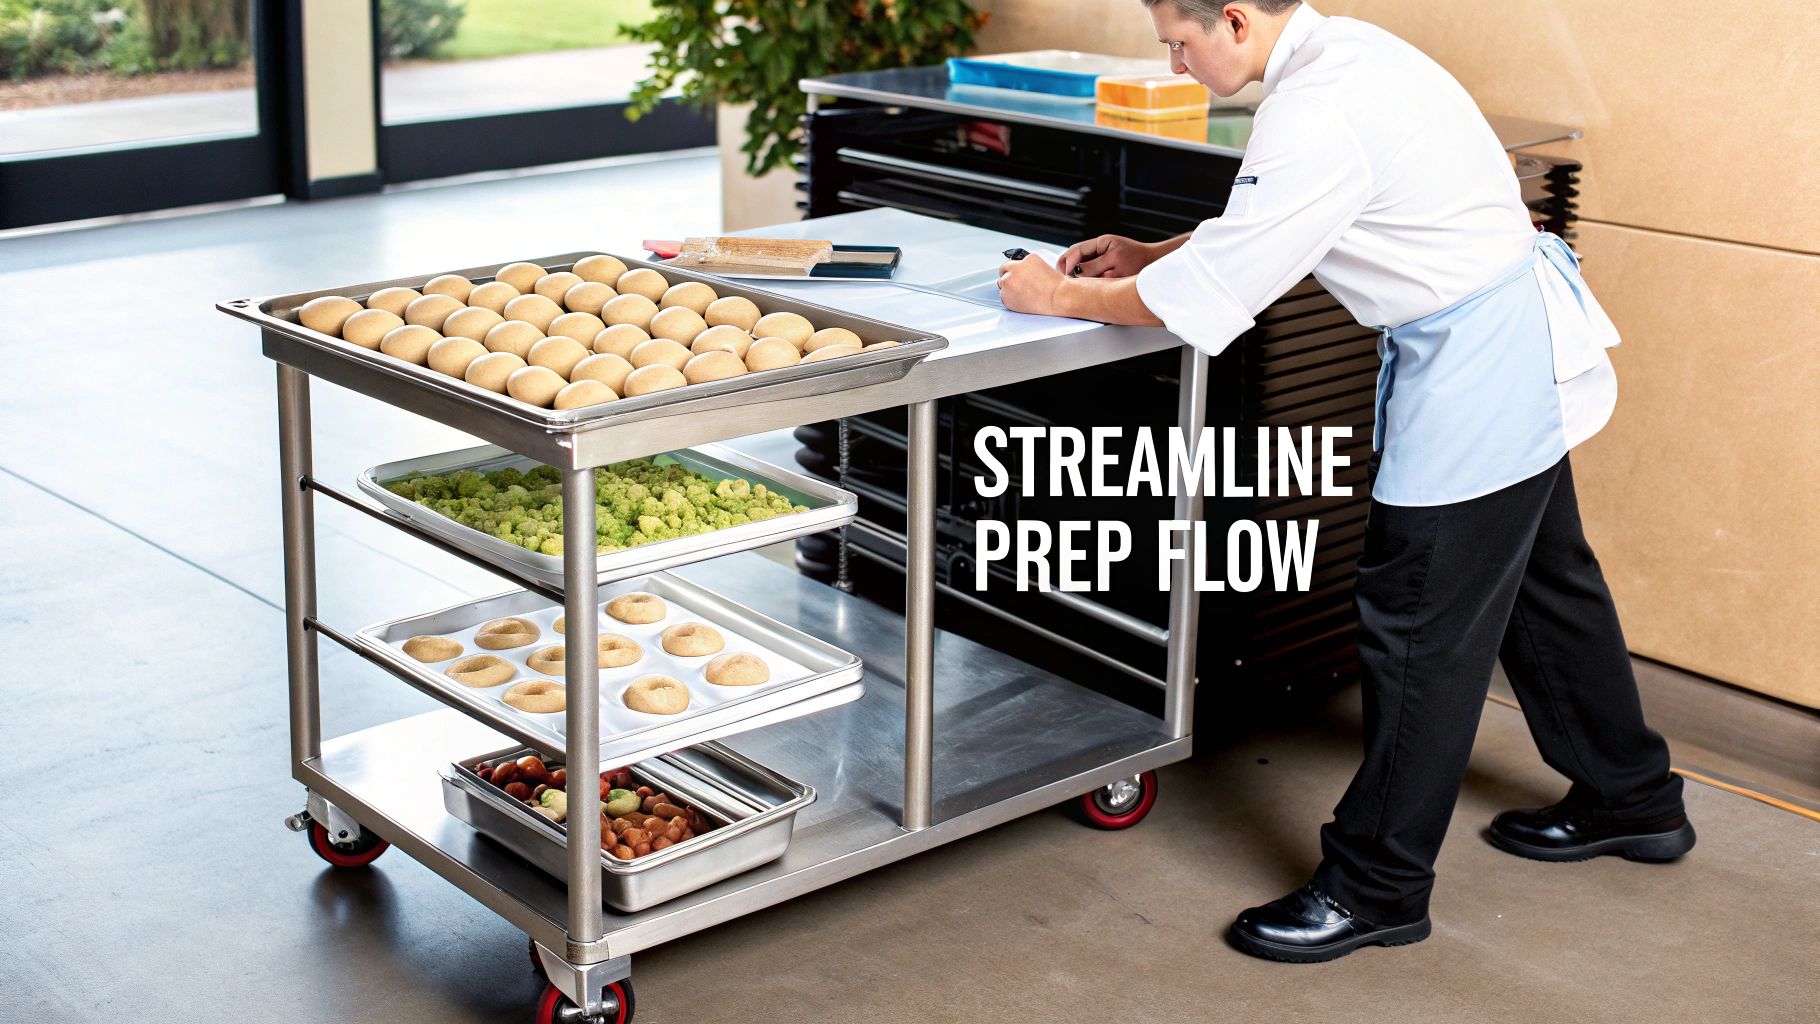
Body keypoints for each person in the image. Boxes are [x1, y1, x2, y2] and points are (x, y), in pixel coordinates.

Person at [997, 0, 1693, 964]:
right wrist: (1154, 253)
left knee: (1417, 632)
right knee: (1544, 589)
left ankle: (1376, 889)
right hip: (1521, 343)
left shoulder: (1315, 108)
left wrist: (1061, 294)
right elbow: (1291, 223)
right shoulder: (1353, 54)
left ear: (1233, 19)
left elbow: (1217, 295)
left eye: (1178, 39)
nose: (1173, 57)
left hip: (1479, 371)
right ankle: (1636, 798)